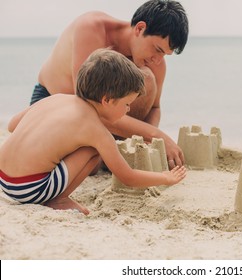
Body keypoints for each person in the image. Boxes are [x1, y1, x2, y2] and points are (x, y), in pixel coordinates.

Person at [0, 49, 187, 215]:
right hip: (27, 188)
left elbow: (12, 126)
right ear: (107, 100)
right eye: (127, 104)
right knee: (94, 149)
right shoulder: (95, 129)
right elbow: (127, 176)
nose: (128, 110)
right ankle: (60, 199)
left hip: (3, 178)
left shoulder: (56, 98)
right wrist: (165, 177)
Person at [30, 0, 189, 170]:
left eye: (165, 54)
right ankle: (105, 153)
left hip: (102, 121)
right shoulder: (92, 29)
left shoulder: (155, 63)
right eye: (157, 49)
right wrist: (157, 135)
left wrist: (144, 144)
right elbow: (86, 106)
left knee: (148, 78)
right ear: (140, 28)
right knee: (89, 164)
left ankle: (114, 150)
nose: (158, 60)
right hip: (55, 105)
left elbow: (154, 108)